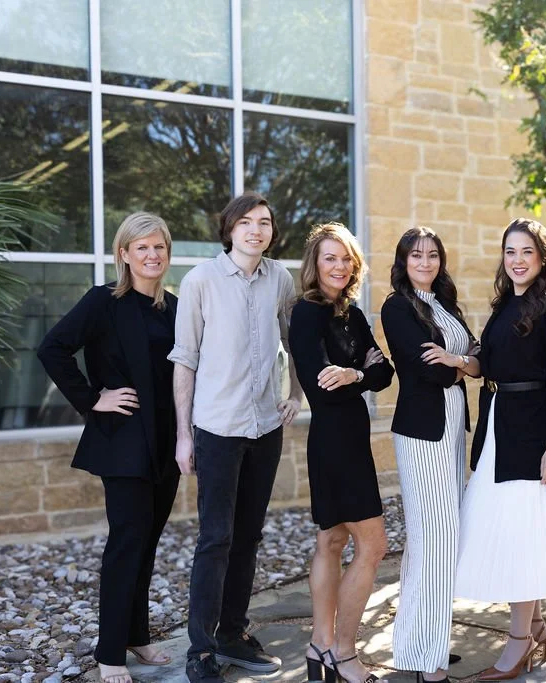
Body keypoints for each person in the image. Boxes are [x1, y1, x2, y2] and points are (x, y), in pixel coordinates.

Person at [37, 212, 179, 683]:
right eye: (141, 248)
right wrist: (93, 398)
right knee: (127, 543)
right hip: (123, 442)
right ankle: (110, 652)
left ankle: (136, 636)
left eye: (158, 247)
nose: (151, 255)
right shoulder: (103, 302)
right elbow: (52, 348)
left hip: (164, 442)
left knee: (147, 542)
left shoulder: (174, 307)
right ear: (124, 254)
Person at [169, 192, 303, 683]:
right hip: (217, 429)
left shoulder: (281, 279)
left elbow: (296, 341)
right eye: (245, 222)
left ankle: (232, 632)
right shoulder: (200, 280)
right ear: (229, 230)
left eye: (264, 223)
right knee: (215, 538)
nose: (255, 230)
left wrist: (297, 395)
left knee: (248, 536)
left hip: (265, 427)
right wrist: (184, 435)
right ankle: (199, 651)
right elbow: (185, 357)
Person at [453, 218, 546, 681]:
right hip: (498, 430)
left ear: (542, 256)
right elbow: (489, 360)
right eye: (510, 252)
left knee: (523, 537)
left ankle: (519, 641)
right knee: (501, 528)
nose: (517, 260)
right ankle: (539, 625)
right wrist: (460, 361)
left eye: (526, 251)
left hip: (535, 437)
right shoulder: (507, 302)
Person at [290, 223, 395, 683]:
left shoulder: (352, 316)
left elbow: (384, 371)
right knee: (374, 544)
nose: (338, 265)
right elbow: (321, 384)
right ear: (315, 264)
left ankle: (320, 645)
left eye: (346, 258)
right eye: (329, 257)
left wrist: (353, 374)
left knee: (332, 541)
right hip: (333, 442)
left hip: (352, 438)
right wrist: (359, 373)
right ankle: (345, 654)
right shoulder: (306, 314)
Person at [380, 227, 481, 683]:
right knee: (436, 536)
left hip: (449, 430)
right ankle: (428, 658)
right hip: (423, 433)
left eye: (433, 254)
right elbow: (429, 374)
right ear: (403, 261)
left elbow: (481, 356)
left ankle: (418, 645)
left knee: (435, 538)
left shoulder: (444, 304)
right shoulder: (396, 306)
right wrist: (460, 367)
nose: (425, 261)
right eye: (416, 255)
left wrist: (457, 361)